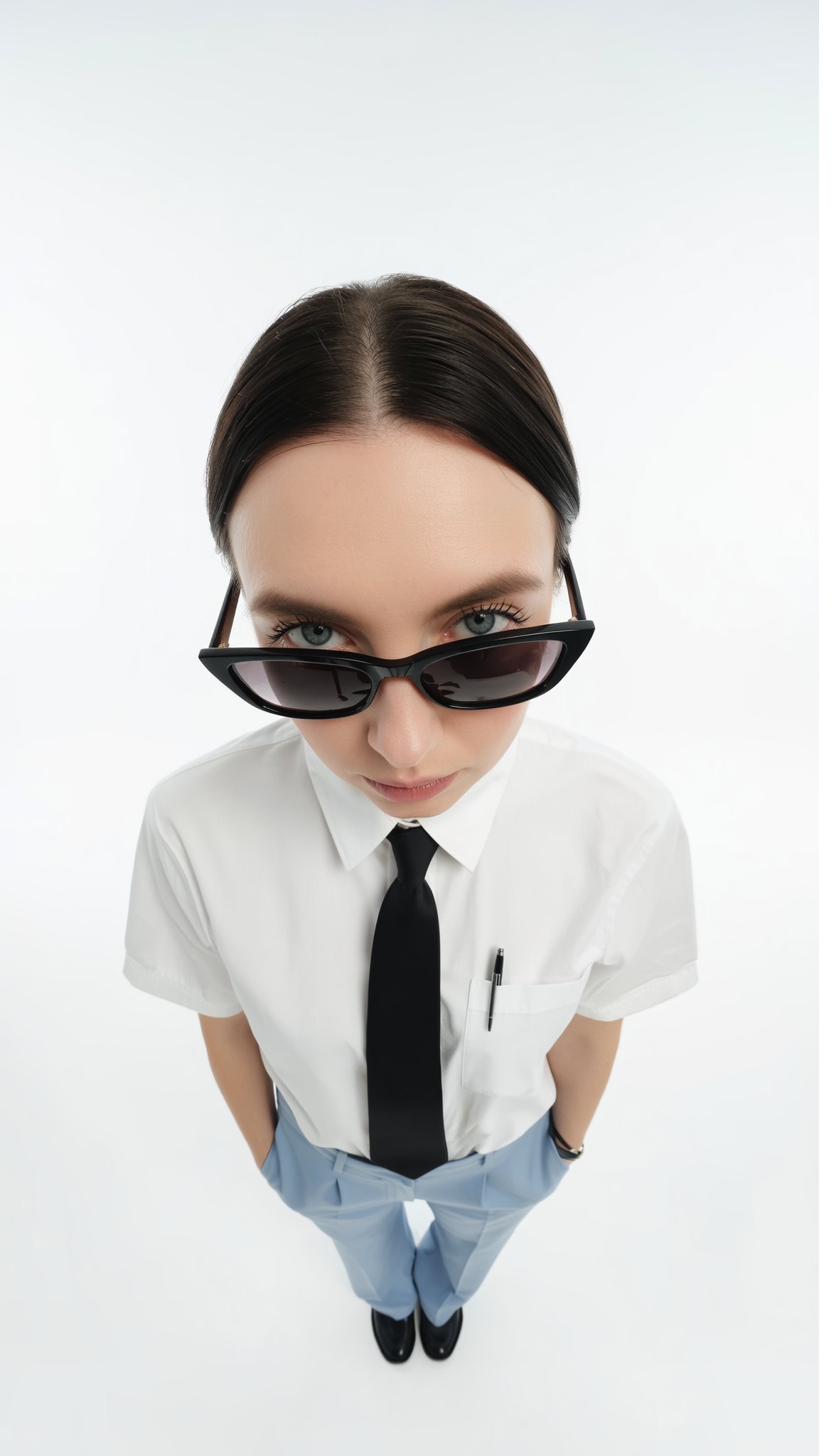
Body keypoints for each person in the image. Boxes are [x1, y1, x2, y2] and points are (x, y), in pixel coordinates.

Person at [122, 273, 699, 1364]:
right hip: (328, 1161)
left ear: (561, 581)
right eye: (313, 646)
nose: (403, 745)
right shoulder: (192, 829)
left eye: (485, 628)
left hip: (505, 1155)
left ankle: (447, 1292)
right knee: (369, 1260)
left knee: (470, 1253)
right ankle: (389, 1294)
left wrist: (561, 1145)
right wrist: (277, 1161)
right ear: (240, 601)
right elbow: (222, 1017)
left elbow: (597, 1015)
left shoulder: (622, 826)